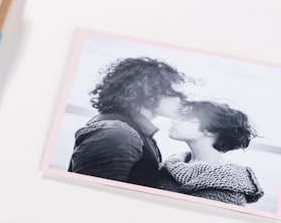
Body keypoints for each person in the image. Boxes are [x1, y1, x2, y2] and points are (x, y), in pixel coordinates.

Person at [68, 57, 187, 188]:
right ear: (149, 92)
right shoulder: (117, 133)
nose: (183, 101)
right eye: (177, 95)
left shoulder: (133, 132)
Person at [160, 100, 262, 205]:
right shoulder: (168, 165)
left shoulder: (228, 189)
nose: (174, 121)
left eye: (185, 118)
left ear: (210, 130)